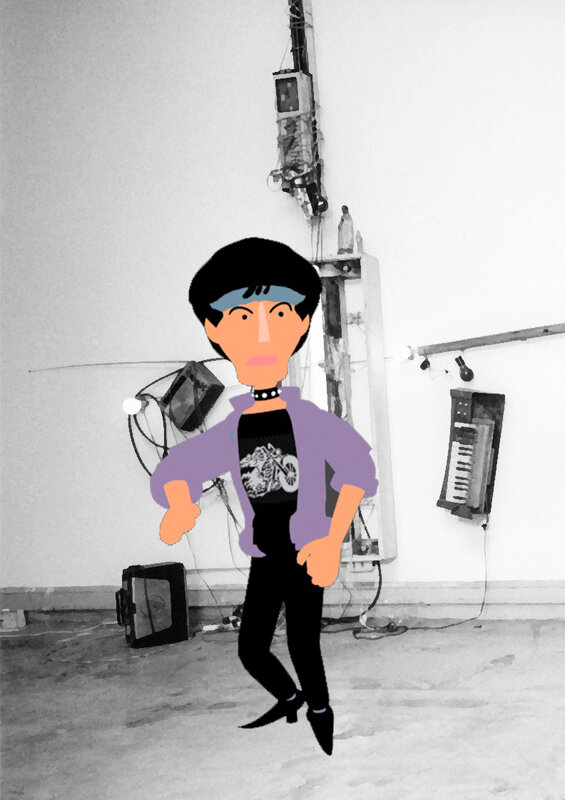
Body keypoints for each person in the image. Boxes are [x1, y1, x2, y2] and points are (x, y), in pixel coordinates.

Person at [150, 237, 378, 756]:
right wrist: (181, 502)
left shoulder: (310, 421)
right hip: (266, 555)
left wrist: (331, 540)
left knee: (303, 644)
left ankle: (320, 712)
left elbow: (359, 470)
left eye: (277, 315)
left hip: (308, 550)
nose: (260, 335)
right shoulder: (232, 429)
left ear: (301, 324)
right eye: (239, 319)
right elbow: (175, 468)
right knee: (251, 649)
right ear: (214, 331)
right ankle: (290, 698)